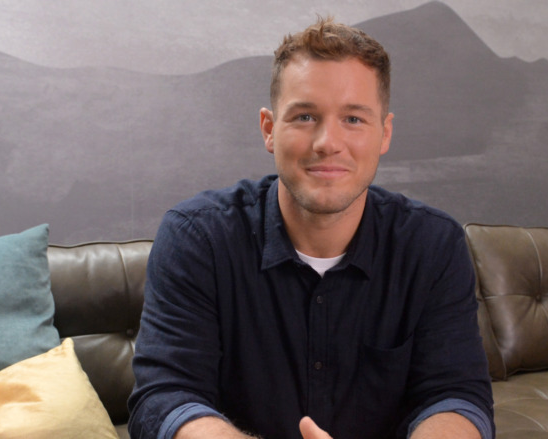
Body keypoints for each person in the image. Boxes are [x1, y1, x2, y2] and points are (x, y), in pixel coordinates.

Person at [128, 17, 494, 439]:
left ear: (385, 133)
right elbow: (165, 398)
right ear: (269, 129)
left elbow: (456, 395)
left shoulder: (434, 246)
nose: (327, 142)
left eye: (354, 119)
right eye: (304, 116)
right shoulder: (197, 239)